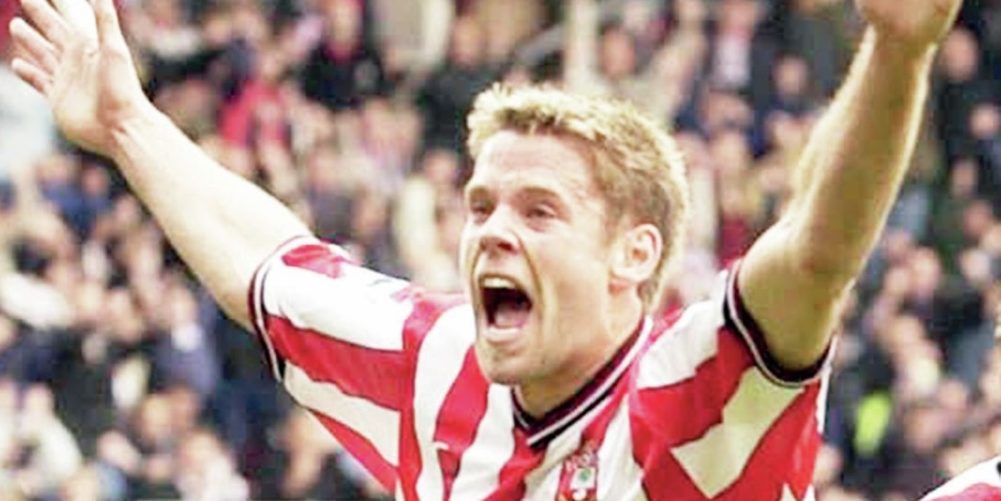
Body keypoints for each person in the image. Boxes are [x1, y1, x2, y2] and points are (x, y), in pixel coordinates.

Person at [6, 0, 962, 498]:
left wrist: (897, 50)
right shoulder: (438, 366)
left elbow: (815, 252)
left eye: (540, 211)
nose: (494, 228)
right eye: (481, 205)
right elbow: (271, 268)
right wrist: (128, 124)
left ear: (634, 255)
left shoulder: (693, 393)